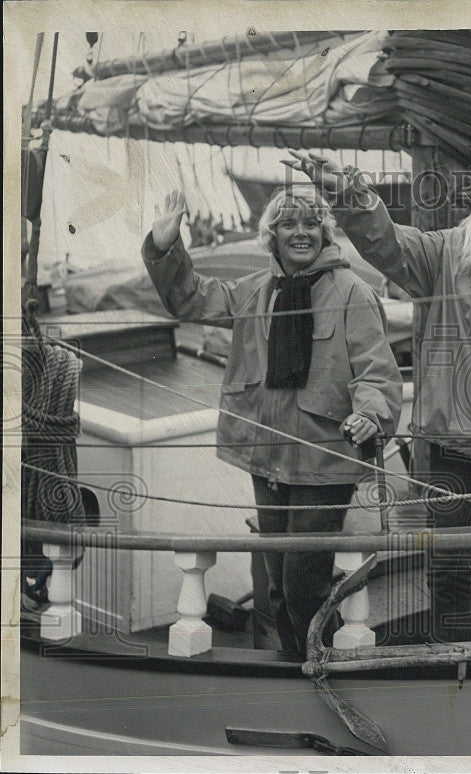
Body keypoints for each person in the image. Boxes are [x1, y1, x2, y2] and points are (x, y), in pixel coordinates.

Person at [286, 151, 471, 642]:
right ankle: (455, 657)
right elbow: (384, 243)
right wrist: (346, 191)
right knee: (446, 561)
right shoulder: (446, 255)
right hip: (447, 445)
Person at [142, 186, 402, 660]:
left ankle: (314, 658)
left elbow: (376, 371)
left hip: (324, 457)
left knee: (304, 575)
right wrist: (165, 246)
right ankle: (296, 660)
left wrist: (370, 414)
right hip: (269, 457)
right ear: (272, 235)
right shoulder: (254, 292)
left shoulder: (353, 293)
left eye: (309, 223)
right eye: (288, 224)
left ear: (324, 231)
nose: (299, 232)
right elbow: (191, 300)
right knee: (279, 577)